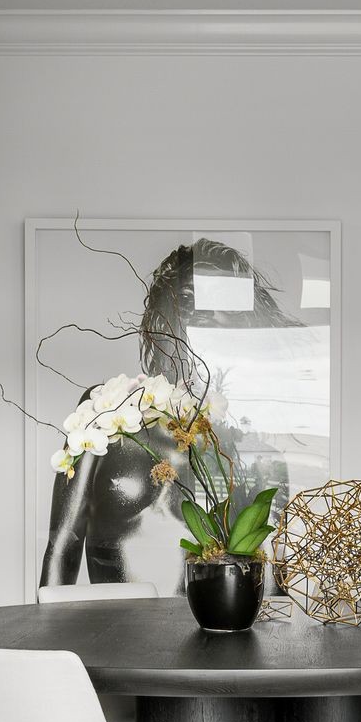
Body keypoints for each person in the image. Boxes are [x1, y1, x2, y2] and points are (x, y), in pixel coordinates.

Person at [40, 238, 295, 592]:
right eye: (195, 306)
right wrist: (48, 625)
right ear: (169, 317)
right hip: (114, 625)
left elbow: (268, 574)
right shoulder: (106, 411)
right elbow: (63, 544)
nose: (210, 322)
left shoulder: (246, 448)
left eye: (228, 312)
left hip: (208, 623)